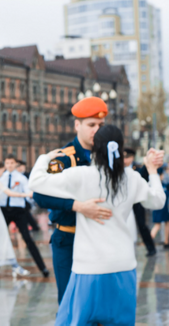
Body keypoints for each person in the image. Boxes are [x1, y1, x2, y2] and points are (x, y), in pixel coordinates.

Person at [29, 125, 165, 325]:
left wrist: (45, 158)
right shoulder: (132, 178)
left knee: (75, 320)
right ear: (120, 148)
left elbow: (36, 183)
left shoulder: (82, 175)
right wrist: (152, 171)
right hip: (124, 266)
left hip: (89, 268)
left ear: (95, 146)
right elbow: (158, 202)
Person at [32, 97, 114, 303]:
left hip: (99, 239)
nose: (97, 130)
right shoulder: (64, 158)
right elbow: (40, 195)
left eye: (101, 125)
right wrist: (77, 206)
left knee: (99, 302)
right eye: (91, 125)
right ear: (77, 125)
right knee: (71, 302)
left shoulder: (109, 157)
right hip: (70, 239)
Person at [0, 154, 49, 277]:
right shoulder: (1, 178)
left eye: (12, 163)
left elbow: (28, 192)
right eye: (7, 163)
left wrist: (30, 202)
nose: (9, 165)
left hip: (18, 210)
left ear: (15, 164)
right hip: (4, 210)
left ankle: (42, 267)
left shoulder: (22, 178)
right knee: (0, 237)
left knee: (27, 238)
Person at [124, 147, 158, 256]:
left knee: (142, 224)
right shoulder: (118, 168)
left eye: (127, 157)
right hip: (124, 201)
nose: (124, 160)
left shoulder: (137, 168)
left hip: (137, 201)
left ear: (132, 158)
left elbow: (144, 175)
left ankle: (151, 248)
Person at [151, 167, 169, 248]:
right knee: (165, 224)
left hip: (156, 208)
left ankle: (150, 243)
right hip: (164, 209)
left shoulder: (153, 185)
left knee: (158, 225)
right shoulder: (163, 186)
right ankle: (165, 242)